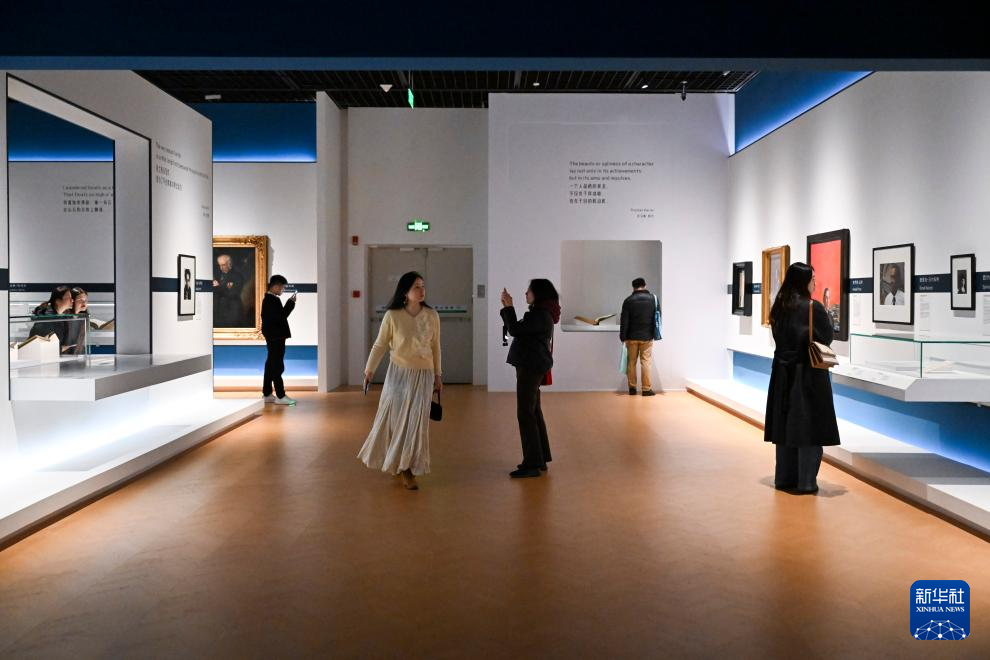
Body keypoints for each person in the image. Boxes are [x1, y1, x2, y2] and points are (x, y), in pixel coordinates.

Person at [358, 271, 442, 491]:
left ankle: (407, 468)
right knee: (396, 420)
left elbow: (436, 347)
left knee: (415, 423)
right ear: (405, 291)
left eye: (423, 286)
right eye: (416, 287)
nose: (421, 291)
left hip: (423, 374)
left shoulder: (432, 315)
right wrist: (369, 370)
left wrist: (438, 375)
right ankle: (397, 460)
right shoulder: (393, 315)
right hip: (398, 374)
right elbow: (380, 344)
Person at [764, 262, 841, 494]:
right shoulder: (812, 307)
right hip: (807, 374)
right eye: (812, 278)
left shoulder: (779, 306)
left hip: (782, 373)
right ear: (803, 281)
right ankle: (806, 481)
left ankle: (784, 478)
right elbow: (826, 336)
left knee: (785, 425)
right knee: (809, 425)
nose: (815, 283)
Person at [500, 279, 560, 478]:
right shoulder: (541, 314)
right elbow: (518, 330)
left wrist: (509, 307)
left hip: (530, 366)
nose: (526, 293)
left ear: (538, 294)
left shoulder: (540, 315)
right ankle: (540, 459)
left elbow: (514, 330)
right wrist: (508, 308)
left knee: (526, 413)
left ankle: (532, 464)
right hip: (533, 364)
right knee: (533, 411)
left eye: (529, 291)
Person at [261, 275, 297, 406]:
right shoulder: (271, 300)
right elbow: (282, 317)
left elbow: (279, 317)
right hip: (275, 337)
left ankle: (267, 393)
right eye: (282, 287)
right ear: (276, 286)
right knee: (277, 365)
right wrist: (291, 303)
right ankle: (280, 395)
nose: (283, 290)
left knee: (271, 364)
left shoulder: (271, 299)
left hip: (274, 336)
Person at [619, 277, 658, 396]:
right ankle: (646, 389)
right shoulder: (653, 299)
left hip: (631, 337)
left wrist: (623, 337)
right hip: (647, 336)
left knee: (631, 362)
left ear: (633, 287)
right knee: (645, 362)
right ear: (645, 285)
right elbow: (657, 317)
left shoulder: (628, 301)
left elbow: (624, 320)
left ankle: (632, 388)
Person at [29, 285, 75, 352]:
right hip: (38, 353)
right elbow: (42, 344)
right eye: (68, 298)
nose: (72, 300)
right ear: (58, 301)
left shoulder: (60, 317)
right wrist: (60, 349)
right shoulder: (48, 318)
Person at [213, 254, 245, 326]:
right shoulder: (219, 275)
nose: (221, 268)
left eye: (223, 265)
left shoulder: (237, 276)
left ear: (229, 264)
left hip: (232, 312)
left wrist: (217, 287)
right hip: (219, 312)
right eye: (219, 265)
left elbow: (232, 294)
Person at [64, 287, 90, 355]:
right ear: (72, 301)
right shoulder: (64, 317)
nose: (84, 302)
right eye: (80, 300)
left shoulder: (84, 317)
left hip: (79, 354)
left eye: (85, 300)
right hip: (64, 355)